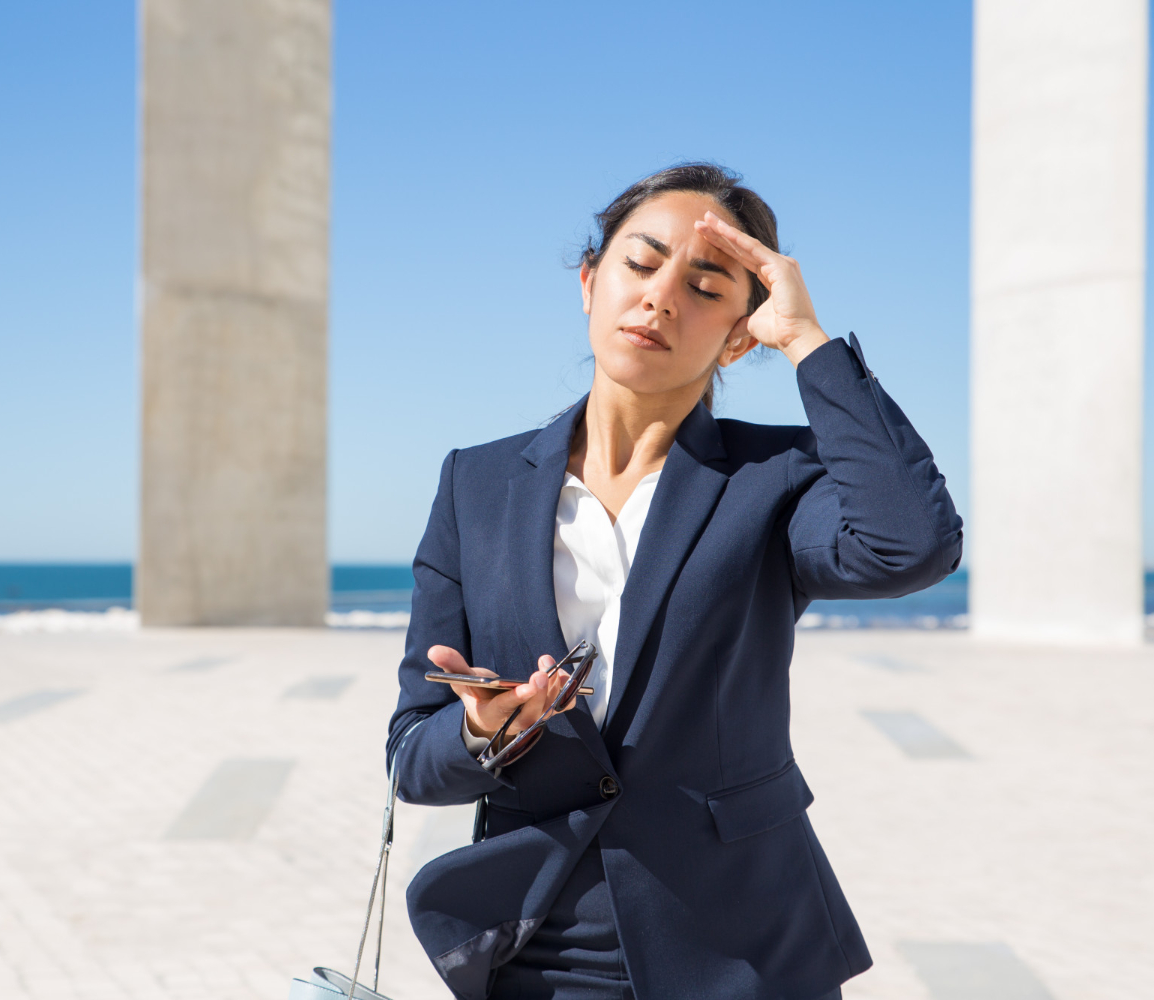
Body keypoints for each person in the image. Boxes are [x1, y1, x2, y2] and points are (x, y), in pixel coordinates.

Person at [385, 163, 962, 1000]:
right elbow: (412, 753)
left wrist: (808, 341)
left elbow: (912, 546)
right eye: (641, 263)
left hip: (745, 951)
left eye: (705, 285)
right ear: (590, 282)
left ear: (740, 335)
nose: (660, 298)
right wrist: (484, 734)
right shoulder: (473, 485)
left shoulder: (776, 478)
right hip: (538, 952)